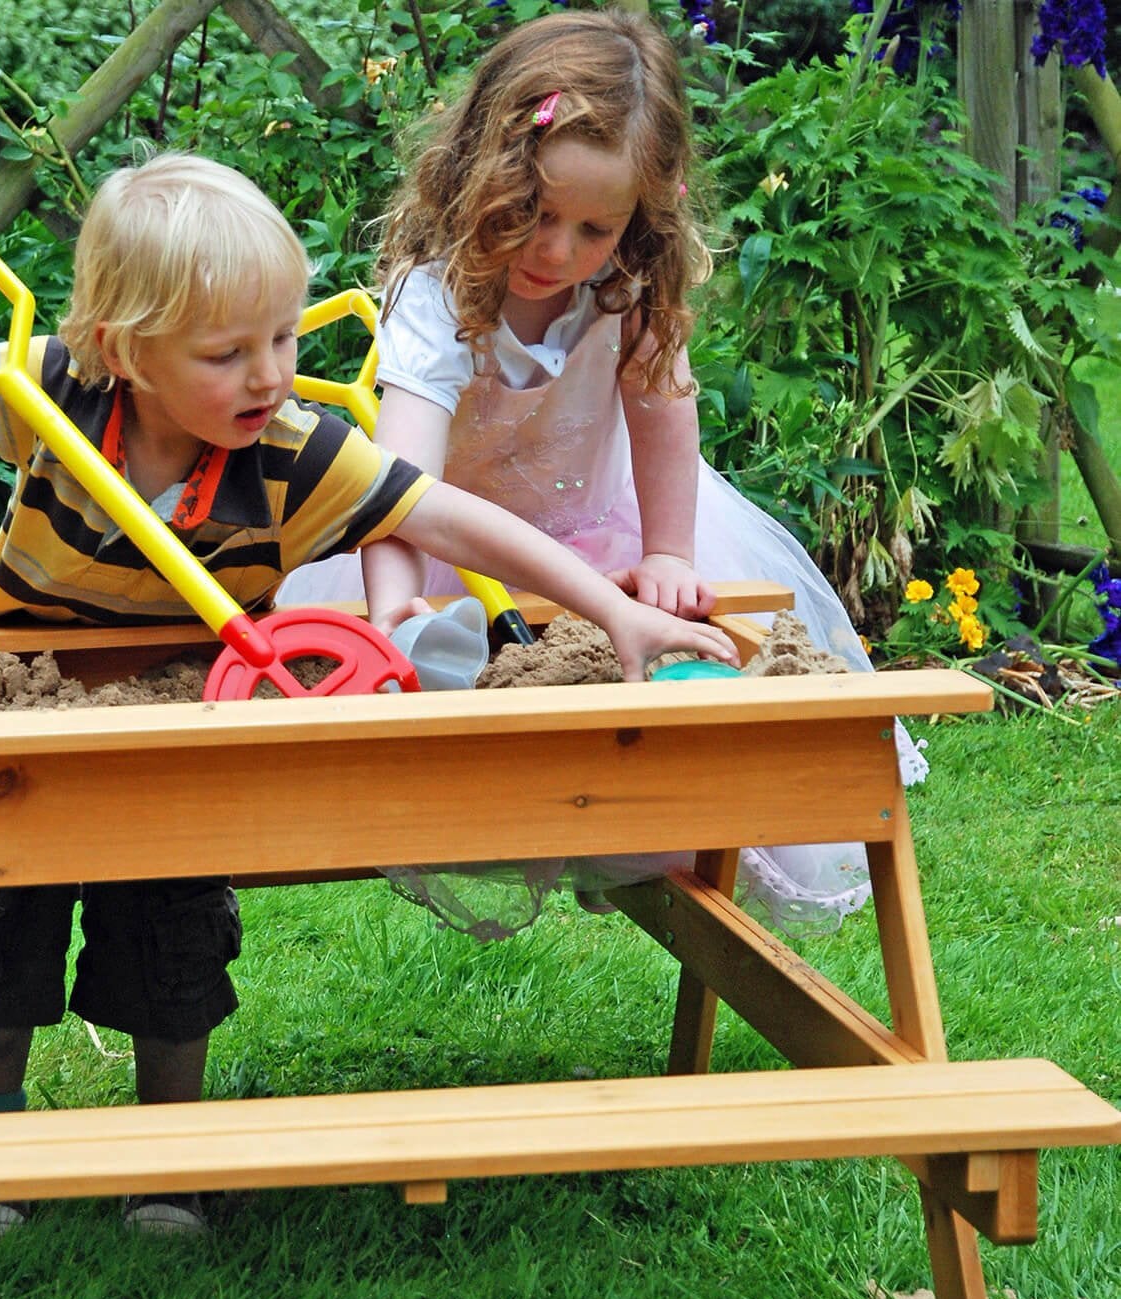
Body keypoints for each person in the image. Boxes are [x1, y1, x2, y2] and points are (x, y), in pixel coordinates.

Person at [0, 151, 737, 1236]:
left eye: (281, 336)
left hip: (188, 716)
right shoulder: (55, 390)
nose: (269, 373)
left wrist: (615, 609)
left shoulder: (290, 448)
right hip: (31, 699)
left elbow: (446, 519)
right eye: (228, 352)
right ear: (124, 350)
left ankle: (170, 1163)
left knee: (170, 929)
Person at [277, 7, 927, 939]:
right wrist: (391, 606)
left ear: (638, 220)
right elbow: (399, 484)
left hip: (600, 529)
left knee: (677, 704)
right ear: (481, 178)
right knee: (458, 739)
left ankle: (637, 829)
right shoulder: (437, 295)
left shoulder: (626, 287)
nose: (558, 252)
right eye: (535, 215)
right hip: (445, 543)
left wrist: (667, 546)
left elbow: (664, 415)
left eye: (594, 227)